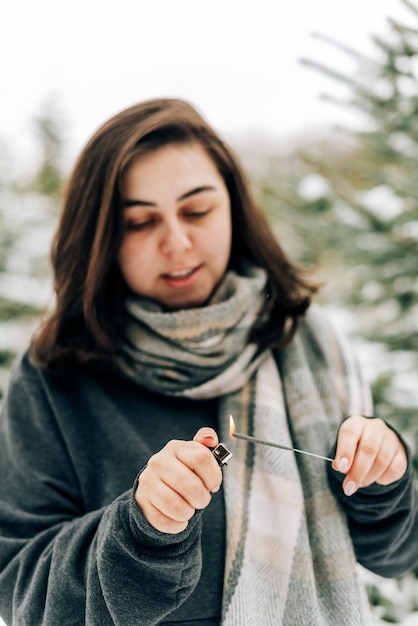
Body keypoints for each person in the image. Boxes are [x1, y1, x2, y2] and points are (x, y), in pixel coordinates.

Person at [0, 98, 416, 626]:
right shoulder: (54, 377)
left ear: (234, 209)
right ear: (102, 236)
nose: (176, 242)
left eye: (197, 210)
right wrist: (139, 531)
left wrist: (385, 477)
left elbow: (397, 554)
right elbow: (17, 589)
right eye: (140, 222)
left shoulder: (309, 344)